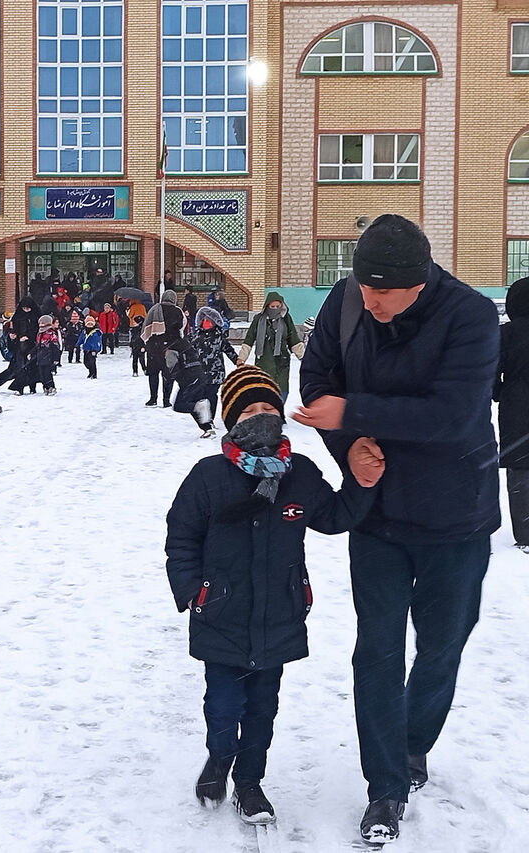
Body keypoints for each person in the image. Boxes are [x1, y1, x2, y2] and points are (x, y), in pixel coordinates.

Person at [295, 214, 500, 844]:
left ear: (421, 282)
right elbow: (318, 384)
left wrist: (356, 412)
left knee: (441, 648)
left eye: (385, 291)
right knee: (377, 653)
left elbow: (455, 414)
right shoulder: (348, 301)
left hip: (454, 516)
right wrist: (351, 445)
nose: (372, 300)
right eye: (364, 287)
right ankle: (384, 787)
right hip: (377, 516)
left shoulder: (470, 316)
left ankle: (414, 744)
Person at [166, 366, 379, 826]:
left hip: (280, 613)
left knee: (263, 710)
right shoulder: (209, 476)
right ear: (231, 420)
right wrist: (194, 592)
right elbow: (181, 538)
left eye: (269, 408)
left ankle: (249, 782)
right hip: (221, 612)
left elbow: (334, 515)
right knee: (223, 707)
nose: (261, 417)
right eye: (249, 410)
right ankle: (219, 757)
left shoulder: (298, 473)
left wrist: (361, 482)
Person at [496, 276, 529, 551]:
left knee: (520, 468)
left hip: (516, 405)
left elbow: (492, 371)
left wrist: (499, 392)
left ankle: (525, 532)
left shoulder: (505, 333)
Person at [238, 292, 303, 403]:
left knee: (281, 390)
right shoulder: (259, 319)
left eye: (277, 307)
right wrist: (241, 358)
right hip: (263, 361)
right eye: (272, 307)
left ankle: (277, 413)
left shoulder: (285, 319)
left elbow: (293, 339)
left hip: (281, 362)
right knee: (263, 390)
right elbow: (249, 339)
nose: (275, 309)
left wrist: (303, 357)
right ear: (267, 306)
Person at [187, 306, 238, 436]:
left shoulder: (218, 336)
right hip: (199, 372)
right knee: (201, 396)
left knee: (211, 395)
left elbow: (228, 349)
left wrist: (237, 361)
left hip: (215, 371)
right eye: (203, 321)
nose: (206, 324)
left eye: (209, 321)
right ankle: (204, 417)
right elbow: (188, 351)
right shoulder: (195, 335)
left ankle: (210, 418)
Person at [142, 290, 185, 407]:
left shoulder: (154, 309)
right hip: (170, 347)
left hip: (154, 347)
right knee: (168, 374)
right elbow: (181, 327)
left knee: (153, 373)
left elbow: (146, 326)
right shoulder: (177, 311)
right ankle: (166, 400)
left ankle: (153, 399)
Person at [35, 315, 61, 395]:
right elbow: (37, 345)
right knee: (41, 374)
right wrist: (31, 353)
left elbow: (56, 347)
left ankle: (51, 387)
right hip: (40, 356)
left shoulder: (51, 334)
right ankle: (45, 386)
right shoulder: (39, 334)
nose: (41, 325)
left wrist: (56, 358)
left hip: (48, 356)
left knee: (47, 373)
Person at [78, 314, 102, 379]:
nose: (90, 326)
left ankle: (93, 374)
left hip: (93, 350)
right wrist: (77, 345)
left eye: (91, 324)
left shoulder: (95, 332)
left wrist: (95, 350)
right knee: (86, 362)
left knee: (92, 362)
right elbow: (81, 339)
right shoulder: (84, 331)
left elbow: (97, 342)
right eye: (88, 324)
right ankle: (90, 371)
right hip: (86, 349)